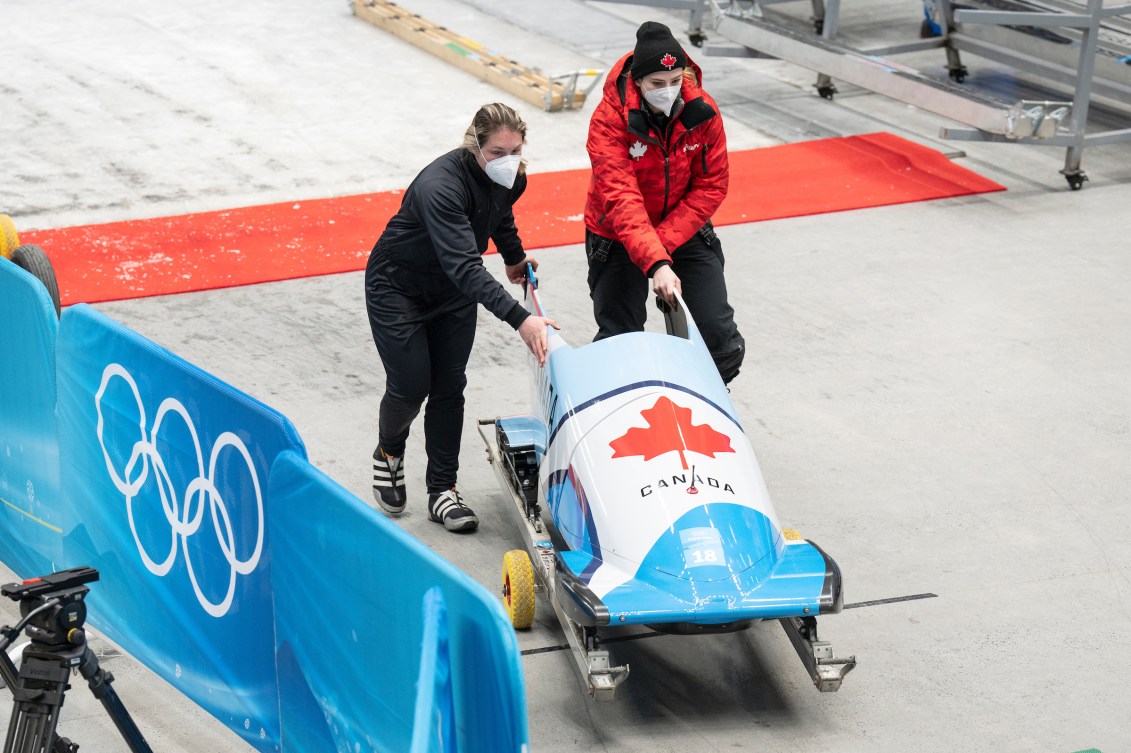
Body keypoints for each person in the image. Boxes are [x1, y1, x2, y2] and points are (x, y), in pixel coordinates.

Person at [364, 103, 557, 533]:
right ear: (474, 146)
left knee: (450, 385)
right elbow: (465, 266)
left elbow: (498, 212)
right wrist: (520, 318)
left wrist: (513, 257)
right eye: (497, 152)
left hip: (450, 293)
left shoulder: (512, 176)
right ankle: (390, 453)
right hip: (399, 288)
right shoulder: (440, 187)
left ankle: (442, 490)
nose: (508, 161)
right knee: (412, 385)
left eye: (516, 150)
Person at [584, 21, 745, 383]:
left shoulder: (701, 111)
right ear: (638, 81)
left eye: (675, 81)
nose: (668, 91)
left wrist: (662, 250)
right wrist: (656, 262)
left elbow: (712, 185)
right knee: (621, 343)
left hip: (682, 228)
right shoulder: (609, 121)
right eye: (657, 83)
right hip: (618, 235)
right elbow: (621, 197)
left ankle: (701, 405)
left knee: (720, 341)